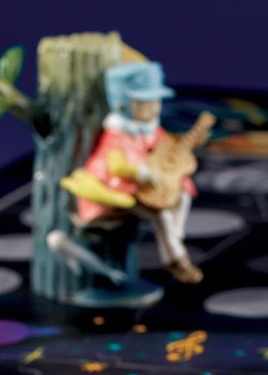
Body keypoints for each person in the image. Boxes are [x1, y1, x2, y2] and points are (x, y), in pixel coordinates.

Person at [75, 61, 203, 283]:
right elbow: (116, 166)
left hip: (151, 186)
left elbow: (165, 148)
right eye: (145, 103)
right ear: (123, 104)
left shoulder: (152, 129)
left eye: (156, 101)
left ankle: (176, 236)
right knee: (161, 213)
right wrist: (143, 173)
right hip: (118, 189)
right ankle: (175, 257)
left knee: (183, 193)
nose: (153, 108)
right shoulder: (118, 134)